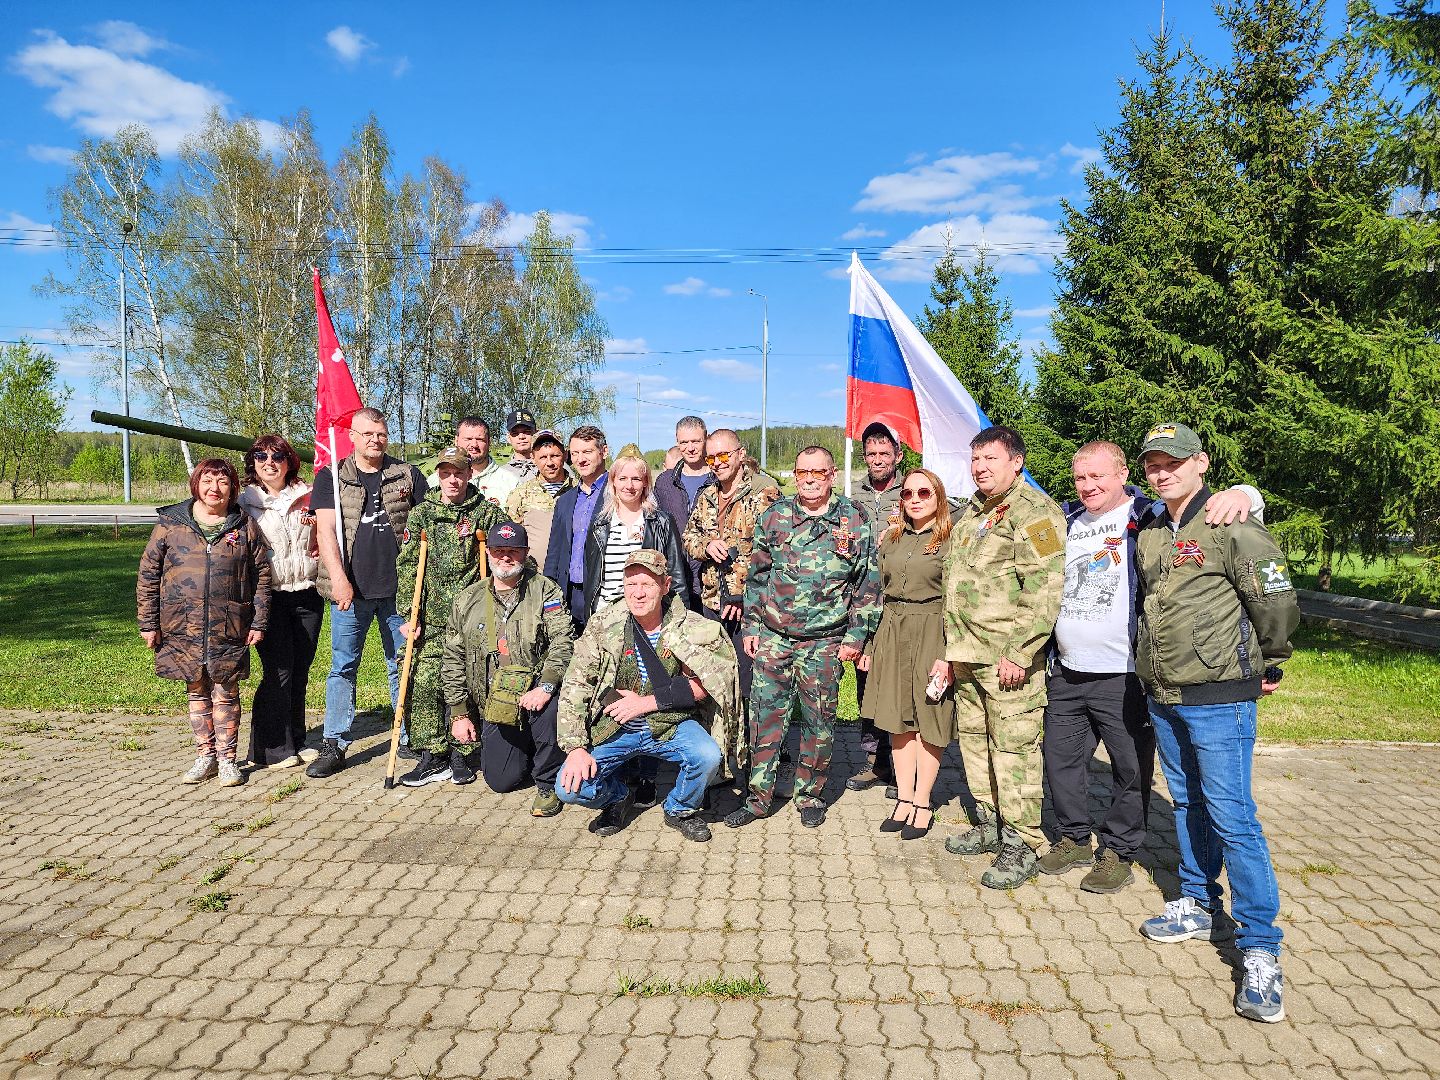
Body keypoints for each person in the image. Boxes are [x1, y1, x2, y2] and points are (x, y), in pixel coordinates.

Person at [1039, 441, 1262, 893]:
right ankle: (1074, 838)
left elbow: (1205, 508)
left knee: (1130, 767)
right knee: (1061, 760)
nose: (1088, 486)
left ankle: (1119, 850)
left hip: (1123, 671)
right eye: (1080, 478)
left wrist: (1246, 492)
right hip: (1066, 669)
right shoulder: (1063, 520)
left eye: (1098, 476)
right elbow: (1017, 532)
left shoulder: (1147, 515)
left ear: (1122, 475)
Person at [1132, 422, 1299, 1025]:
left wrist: (1271, 660)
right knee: (1185, 803)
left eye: (1173, 461)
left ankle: (1259, 947)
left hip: (1219, 694)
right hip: (1163, 691)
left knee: (1233, 816)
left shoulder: (1232, 522)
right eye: (1152, 462)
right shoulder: (1151, 527)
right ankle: (1197, 903)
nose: (1161, 471)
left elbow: (1274, 598)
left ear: (1200, 463)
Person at [726, 446, 881, 830]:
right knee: (764, 718)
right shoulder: (775, 516)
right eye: (802, 472)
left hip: (825, 642)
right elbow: (757, 578)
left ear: (832, 475)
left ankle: (809, 795)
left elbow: (867, 584)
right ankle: (758, 798)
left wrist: (856, 637)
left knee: (819, 722)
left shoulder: (854, 519)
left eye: (818, 472)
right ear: (795, 475)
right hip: (775, 638)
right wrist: (752, 627)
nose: (810, 478)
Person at [941, 425, 1065, 889]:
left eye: (990, 460)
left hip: (1009, 660)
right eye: (975, 461)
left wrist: (1021, 652)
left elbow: (1046, 588)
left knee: (1014, 752)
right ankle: (990, 826)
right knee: (974, 745)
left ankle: (1023, 844)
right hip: (968, 654)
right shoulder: (973, 511)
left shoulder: (1036, 514)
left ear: (1016, 462)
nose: (980, 469)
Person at [556, 550, 740, 842]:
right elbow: (576, 683)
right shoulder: (603, 626)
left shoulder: (693, 628)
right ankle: (618, 796)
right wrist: (575, 748)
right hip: (617, 727)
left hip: (671, 724)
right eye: (631, 584)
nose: (638, 594)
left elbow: (709, 684)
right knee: (569, 788)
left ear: (666, 585)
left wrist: (645, 703)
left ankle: (680, 808)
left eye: (647, 584)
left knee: (707, 756)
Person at [137, 458, 272, 788]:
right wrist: (148, 623)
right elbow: (148, 574)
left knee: (226, 692)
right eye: (208, 481)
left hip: (230, 625)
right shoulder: (170, 524)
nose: (215, 489)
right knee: (196, 690)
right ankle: (205, 757)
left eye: (223, 482)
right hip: (182, 626)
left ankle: (228, 760)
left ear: (232, 489)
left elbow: (263, 577)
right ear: (196, 485)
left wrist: (259, 621)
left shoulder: (243, 526)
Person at [309, 408, 428, 779]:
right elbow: (326, 531)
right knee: (343, 667)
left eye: (381, 434)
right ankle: (335, 742)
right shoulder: (331, 477)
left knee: (401, 663)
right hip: (350, 590)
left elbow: (425, 522)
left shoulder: (406, 474)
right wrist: (340, 578)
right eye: (367, 434)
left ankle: (406, 735)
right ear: (353, 437)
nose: (375, 440)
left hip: (399, 591)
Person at [393, 446, 509, 787]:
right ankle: (433, 753)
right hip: (428, 615)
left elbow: (505, 557)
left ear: (469, 474)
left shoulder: (485, 514)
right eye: (446, 472)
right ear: (438, 475)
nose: (452, 479)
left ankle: (462, 752)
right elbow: (408, 564)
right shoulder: (422, 514)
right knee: (425, 679)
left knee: (467, 680)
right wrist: (407, 614)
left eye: (458, 472)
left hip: (470, 617)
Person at [442, 522, 574, 815]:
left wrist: (547, 685)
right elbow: (452, 657)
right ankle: (530, 750)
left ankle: (548, 781)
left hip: (538, 695)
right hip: (497, 705)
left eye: (513, 551)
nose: (506, 557)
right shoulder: (468, 599)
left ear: (525, 553)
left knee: (549, 710)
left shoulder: (544, 590)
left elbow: (563, 641)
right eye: (499, 551)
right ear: (488, 553)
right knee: (501, 780)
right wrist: (459, 713)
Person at [860, 468, 956, 841]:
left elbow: (955, 599)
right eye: (907, 493)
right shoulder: (892, 538)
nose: (914, 499)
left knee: (928, 719)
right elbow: (876, 592)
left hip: (932, 630)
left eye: (924, 493)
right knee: (897, 719)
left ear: (938, 498)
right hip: (892, 629)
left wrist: (948, 653)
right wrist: (870, 642)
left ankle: (922, 802)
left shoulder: (950, 539)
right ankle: (902, 797)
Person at [680, 428, 780, 777]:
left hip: (750, 609)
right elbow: (688, 536)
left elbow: (771, 551)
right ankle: (720, 762)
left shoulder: (764, 493)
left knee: (751, 687)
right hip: (711, 603)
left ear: (740, 454)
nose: (717, 463)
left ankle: (757, 768)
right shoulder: (707, 494)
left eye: (723, 456)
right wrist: (705, 544)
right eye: (711, 458)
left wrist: (741, 591)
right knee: (715, 684)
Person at [239, 435, 321, 770]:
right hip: (267, 595)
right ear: (253, 462)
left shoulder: (309, 496)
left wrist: (317, 527)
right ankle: (269, 748)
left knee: (300, 670)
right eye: (261, 456)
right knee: (278, 671)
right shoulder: (244, 502)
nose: (269, 462)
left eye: (277, 456)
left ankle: (296, 739)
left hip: (307, 592)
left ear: (289, 461)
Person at [845, 420, 904, 795]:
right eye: (871, 453)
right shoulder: (853, 496)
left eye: (885, 453)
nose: (878, 459)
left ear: (898, 455)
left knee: (899, 685)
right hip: (863, 604)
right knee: (867, 685)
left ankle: (903, 766)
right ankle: (874, 761)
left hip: (901, 604)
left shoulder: (914, 491)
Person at [581, 444, 690, 625]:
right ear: (613, 481)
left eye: (636, 479)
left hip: (647, 619)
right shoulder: (599, 524)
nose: (629, 486)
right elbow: (592, 578)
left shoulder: (661, 522)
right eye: (622, 478)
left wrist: (679, 622)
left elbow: (677, 579)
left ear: (646, 482)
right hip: (605, 617)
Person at [543, 425, 610, 630]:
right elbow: (554, 554)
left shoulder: (617, 495)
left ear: (604, 451)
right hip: (569, 596)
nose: (580, 459)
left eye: (587, 452)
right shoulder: (565, 501)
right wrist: (549, 598)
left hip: (604, 595)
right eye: (575, 453)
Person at [654, 416, 715, 605]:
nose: (690, 448)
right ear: (677, 441)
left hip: (711, 581)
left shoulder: (719, 479)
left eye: (696, 441)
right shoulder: (665, 482)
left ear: (706, 438)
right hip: (676, 578)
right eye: (684, 442)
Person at [505, 429, 573, 570]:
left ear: (565, 455)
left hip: (572, 578)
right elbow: (511, 538)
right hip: (534, 578)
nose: (549, 463)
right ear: (533, 458)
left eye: (554, 456)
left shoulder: (580, 491)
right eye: (543, 457)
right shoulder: (520, 494)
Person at [434, 416, 518, 509]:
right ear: (456, 440)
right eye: (468, 439)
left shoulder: (510, 482)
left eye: (480, 439)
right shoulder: (435, 480)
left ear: (489, 442)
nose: (474, 444)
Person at [504, 409, 539, 480]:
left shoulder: (551, 468)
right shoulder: (501, 473)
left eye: (527, 432)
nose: (521, 437)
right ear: (508, 437)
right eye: (515, 433)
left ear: (536, 434)